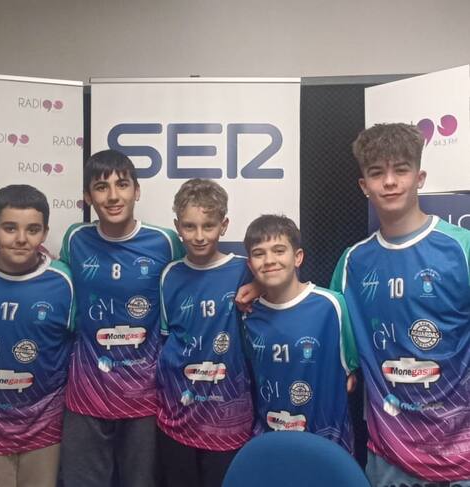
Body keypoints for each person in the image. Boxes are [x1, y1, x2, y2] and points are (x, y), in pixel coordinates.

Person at [331, 123, 470, 486]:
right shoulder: (352, 263)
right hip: (390, 458)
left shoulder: (461, 248)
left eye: (401, 170)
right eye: (377, 173)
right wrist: (258, 287)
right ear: (364, 185)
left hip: (463, 455)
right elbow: (316, 317)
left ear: (419, 177)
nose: (390, 182)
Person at [59, 149, 184, 487]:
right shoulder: (75, 238)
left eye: (122, 184)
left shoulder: (165, 242)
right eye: (101, 187)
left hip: (144, 396)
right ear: (88, 197)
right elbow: (50, 279)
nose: (113, 196)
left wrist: (253, 285)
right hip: (86, 393)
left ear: (137, 191)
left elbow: (200, 276)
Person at [0, 184, 75, 487]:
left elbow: (76, 344)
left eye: (32, 229)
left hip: (43, 424)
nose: (21, 239)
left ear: (45, 233)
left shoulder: (64, 281)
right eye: (9, 228)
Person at [157, 179, 253, 487]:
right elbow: (165, 339)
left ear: (223, 226)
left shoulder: (246, 271)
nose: (199, 236)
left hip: (228, 420)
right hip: (177, 416)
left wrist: (260, 286)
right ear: (177, 227)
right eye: (189, 226)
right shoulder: (169, 275)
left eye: (208, 226)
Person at [242, 214, 357, 451]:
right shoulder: (248, 315)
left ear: (298, 257)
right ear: (250, 265)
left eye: (279, 250)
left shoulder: (331, 306)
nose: (269, 260)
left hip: (326, 447)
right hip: (270, 443)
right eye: (259, 253)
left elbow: (351, 376)